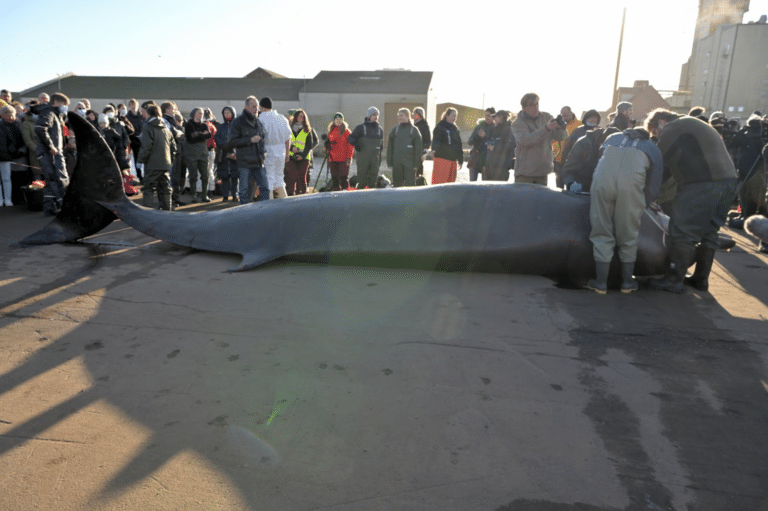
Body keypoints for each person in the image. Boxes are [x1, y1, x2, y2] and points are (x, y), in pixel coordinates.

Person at [645, 108, 738, 293]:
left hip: (702, 184)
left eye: (655, 132)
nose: (657, 136)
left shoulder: (674, 127)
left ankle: (673, 280)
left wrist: (645, 189)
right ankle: (700, 280)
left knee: (682, 232)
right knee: (709, 233)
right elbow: (670, 166)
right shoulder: (693, 125)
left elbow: (658, 159)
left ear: (661, 122)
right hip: (728, 182)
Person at [586, 127, 663, 294]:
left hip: (602, 182)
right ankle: (627, 283)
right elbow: (655, 185)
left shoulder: (612, 138)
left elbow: (596, 161)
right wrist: (646, 201)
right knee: (628, 233)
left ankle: (600, 283)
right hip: (631, 186)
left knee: (601, 230)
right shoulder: (652, 148)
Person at [510, 93, 566, 185]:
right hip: (525, 175)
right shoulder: (517, 123)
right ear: (523, 108)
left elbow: (561, 138)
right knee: (524, 199)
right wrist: (546, 128)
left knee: (541, 200)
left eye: (537, 104)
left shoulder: (546, 117)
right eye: (531, 105)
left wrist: (561, 128)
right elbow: (526, 140)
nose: (536, 107)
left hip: (543, 173)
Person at [33, 92, 69, 215]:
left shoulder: (54, 114)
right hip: (50, 152)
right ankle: (67, 206)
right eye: (64, 104)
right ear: (56, 102)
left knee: (50, 179)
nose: (65, 107)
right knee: (59, 178)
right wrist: (51, 146)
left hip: (48, 152)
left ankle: (49, 207)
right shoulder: (49, 112)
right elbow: (40, 128)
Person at [228, 96, 268, 204]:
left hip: (259, 162)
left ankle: (265, 212)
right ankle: (243, 214)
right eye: (253, 106)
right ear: (246, 107)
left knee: (265, 188)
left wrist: (264, 152)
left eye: (257, 106)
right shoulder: (237, 122)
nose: (256, 109)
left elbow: (262, 139)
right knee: (244, 190)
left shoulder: (258, 122)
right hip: (244, 162)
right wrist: (249, 140)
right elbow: (231, 141)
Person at [137, 104, 176, 210]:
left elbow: (146, 146)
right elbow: (173, 147)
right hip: (165, 164)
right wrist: (170, 161)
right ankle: (167, 211)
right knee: (165, 188)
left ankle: (148, 213)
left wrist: (140, 161)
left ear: (149, 114)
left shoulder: (147, 127)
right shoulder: (166, 127)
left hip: (151, 164)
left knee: (148, 188)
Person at [561, 126, 619, 193]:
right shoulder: (583, 144)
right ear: (602, 143)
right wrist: (571, 184)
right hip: (582, 189)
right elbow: (568, 170)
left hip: (603, 190)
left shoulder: (619, 149)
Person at [257, 97, 291, 198]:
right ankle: (285, 205)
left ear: (261, 107)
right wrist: (287, 153)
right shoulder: (282, 118)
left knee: (269, 180)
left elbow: (259, 137)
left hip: (268, 150)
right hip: (281, 150)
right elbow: (288, 137)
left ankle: (269, 207)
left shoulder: (260, 118)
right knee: (280, 179)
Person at [348, 107, 384, 189]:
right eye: (373, 115)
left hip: (375, 159)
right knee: (362, 179)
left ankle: (371, 198)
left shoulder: (379, 130)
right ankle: (360, 196)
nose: (376, 117)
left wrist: (379, 160)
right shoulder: (361, 128)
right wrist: (356, 144)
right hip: (363, 159)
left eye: (377, 115)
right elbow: (350, 138)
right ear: (369, 116)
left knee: (373, 180)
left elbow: (381, 147)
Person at [285, 109, 318, 195]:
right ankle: (291, 195)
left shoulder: (308, 130)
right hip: (291, 156)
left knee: (302, 178)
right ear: (295, 117)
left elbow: (309, 145)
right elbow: (285, 141)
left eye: (302, 117)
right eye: (299, 116)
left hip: (304, 157)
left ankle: (303, 195)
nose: (301, 118)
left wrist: (302, 155)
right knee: (291, 177)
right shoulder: (288, 128)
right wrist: (291, 147)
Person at [386, 108, 422, 187]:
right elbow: (390, 148)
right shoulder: (395, 130)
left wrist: (416, 164)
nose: (399, 117)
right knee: (397, 185)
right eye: (398, 116)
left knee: (410, 185)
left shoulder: (414, 130)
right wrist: (389, 162)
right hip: (397, 163)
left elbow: (418, 149)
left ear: (408, 116)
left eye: (401, 115)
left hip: (410, 164)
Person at [184, 107, 213, 203]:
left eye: (201, 113)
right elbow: (189, 138)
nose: (200, 115)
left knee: (205, 175)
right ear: (193, 114)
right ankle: (194, 195)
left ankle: (204, 195)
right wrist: (202, 135)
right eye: (198, 113)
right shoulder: (188, 124)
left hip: (203, 153)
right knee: (193, 176)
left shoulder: (204, 125)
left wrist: (197, 134)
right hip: (191, 154)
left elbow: (208, 136)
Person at [0, 105, 26, 206]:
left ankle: (8, 200)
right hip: (4, 155)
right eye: (8, 115)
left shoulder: (17, 125)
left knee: (6, 178)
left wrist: (14, 151)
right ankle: (0, 200)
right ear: (2, 115)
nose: (10, 117)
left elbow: (19, 142)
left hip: (7, 156)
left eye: (12, 115)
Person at [161, 102, 186, 206]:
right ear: (166, 109)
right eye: (173, 108)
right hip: (171, 152)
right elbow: (174, 133)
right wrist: (179, 132)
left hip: (178, 150)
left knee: (177, 177)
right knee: (171, 177)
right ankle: (169, 200)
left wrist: (179, 133)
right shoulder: (164, 120)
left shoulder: (171, 119)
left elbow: (179, 133)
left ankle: (175, 198)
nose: (175, 109)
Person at [429, 107, 463, 184]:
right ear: (446, 116)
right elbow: (436, 140)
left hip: (452, 160)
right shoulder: (440, 127)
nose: (454, 118)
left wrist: (460, 159)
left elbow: (459, 145)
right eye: (453, 115)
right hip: (442, 159)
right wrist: (434, 149)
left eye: (455, 116)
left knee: (450, 184)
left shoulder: (455, 129)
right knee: (439, 182)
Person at [551, 106, 582, 188]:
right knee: (559, 184)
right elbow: (553, 139)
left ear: (571, 113)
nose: (564, 117)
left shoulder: (580, 125)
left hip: (571, 160)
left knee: (570, 183)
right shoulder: (558, 125)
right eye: (562, 115)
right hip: (558, 159)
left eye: (565, 115)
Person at [214, 106, 239, 202]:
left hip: (234, 154)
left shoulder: (237, 126)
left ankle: (235, 195)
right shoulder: (220, 127)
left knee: (235, 177)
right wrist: (224, 145)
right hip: (223, 155)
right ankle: (224, 196)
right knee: (224, 176)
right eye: (225, 113)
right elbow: (217, 138)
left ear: (233, 113)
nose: (227, 114)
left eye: (228, 112)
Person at [484, 110, 516, 182]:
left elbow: (511, 147)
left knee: (499, 191)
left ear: (501, 117)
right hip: (491, 165)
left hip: (502, 167)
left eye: (495, 117)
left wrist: (495, 148)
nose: (494, 119)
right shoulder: (495, 129)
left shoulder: (508, 130)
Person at [326, 113, 354, 191]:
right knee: (334, 177)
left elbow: (350, 146)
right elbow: (329, 142)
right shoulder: (331, 130)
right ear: (334, 121)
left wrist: (349, 157)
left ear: (342, 120)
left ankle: (345, 191)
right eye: (336, 120)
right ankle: (336, 191)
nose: (338, 121)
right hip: (333, 158)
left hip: (343, 158)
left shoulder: (346, 131)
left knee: (343, 177)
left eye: (340, 119)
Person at [467, 107, 495, 182]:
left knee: (485, 184)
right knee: (472, 183)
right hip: (475, 158)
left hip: (486, 159)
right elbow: (469, 142)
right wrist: (476, 137)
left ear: (493, 117)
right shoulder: (479, 126)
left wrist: (484, 137)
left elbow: (493, 144)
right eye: (486, 115)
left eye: (489, 115)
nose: (487, 117)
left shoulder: (495, 128)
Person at [412, 107, 431, 178]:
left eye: (415, 114)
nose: (413, 116)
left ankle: (418, 182)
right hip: (411, 151)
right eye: (413, 114)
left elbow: (428, 140)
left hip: (420, 151)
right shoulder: (412, 125)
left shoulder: (424, 126)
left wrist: (425, 151)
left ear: (420, 115)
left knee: (418, 169)